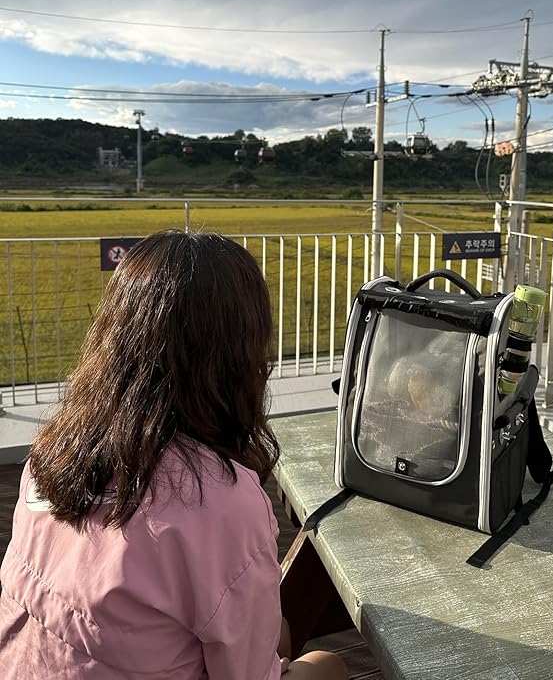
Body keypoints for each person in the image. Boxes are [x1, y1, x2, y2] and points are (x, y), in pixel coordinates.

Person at [0, 230, 347, 680]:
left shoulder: (52, 453)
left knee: (275, 627)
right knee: (328, 665)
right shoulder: (222, 503)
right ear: (239, 354)